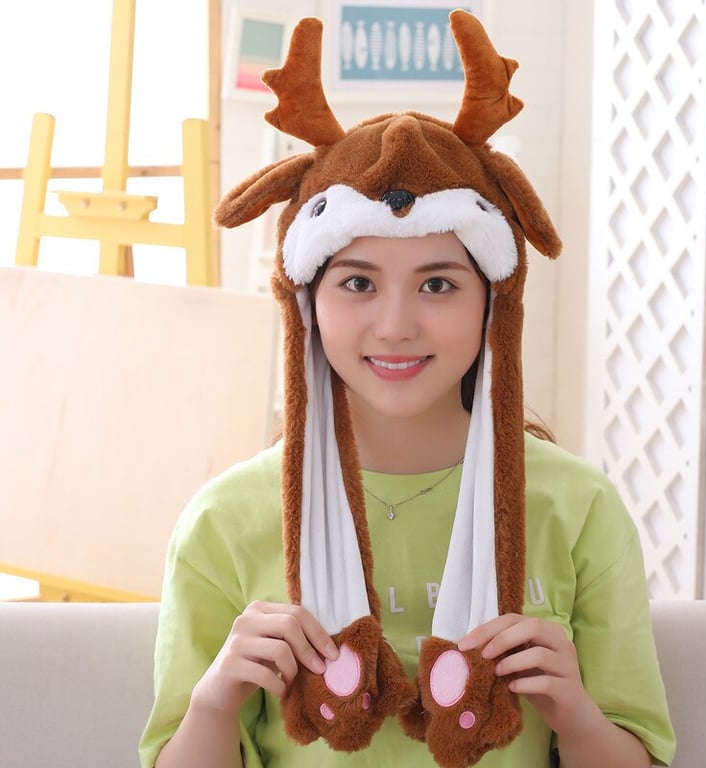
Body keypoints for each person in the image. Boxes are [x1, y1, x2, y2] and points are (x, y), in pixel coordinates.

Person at [140, 11, 675, 768]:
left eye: (438, 284)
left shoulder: (579, 509)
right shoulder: (223, 521)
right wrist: (215, 700)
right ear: (306, 304)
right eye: (357, 283)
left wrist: (577, 716)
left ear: (493, 301)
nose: (395, 326)